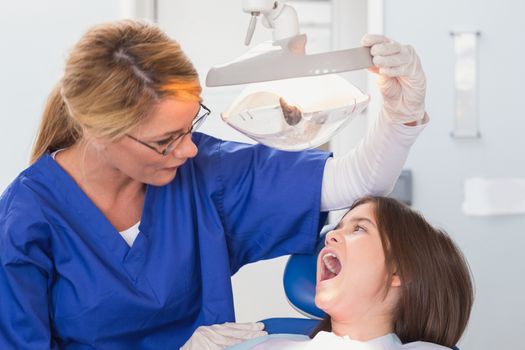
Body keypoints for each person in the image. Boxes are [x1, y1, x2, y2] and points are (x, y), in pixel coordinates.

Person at [0, 19, 428, 350]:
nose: (189, 150)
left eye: (192, 124)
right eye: (166, 141)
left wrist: (401, 114)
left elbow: (356, 181)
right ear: (100, 134)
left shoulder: (206, 173)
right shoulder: (25, 224)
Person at [226, 196, 474, 350]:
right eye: (339, 227)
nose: (330, 236)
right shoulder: (264, 344)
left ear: (399, 271)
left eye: (359, 229)